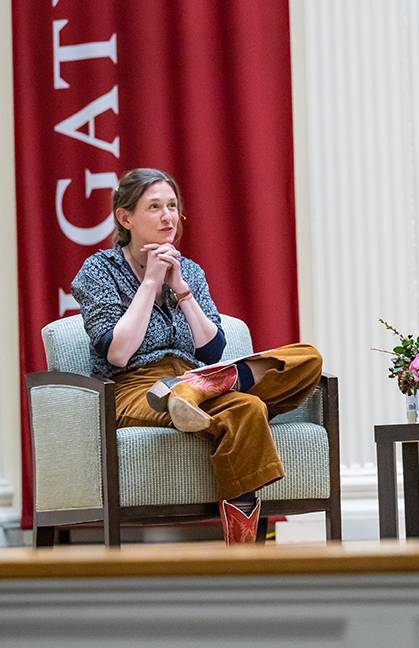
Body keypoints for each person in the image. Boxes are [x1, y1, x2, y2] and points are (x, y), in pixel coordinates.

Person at [71, 168, 324, 545]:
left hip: (196, 377)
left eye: (172, 206)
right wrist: (151, 282)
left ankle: (199, 386)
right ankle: (245, 555)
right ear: (126, 218)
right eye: (154, 207)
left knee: (307, 358)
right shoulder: (99, 271)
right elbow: (118, 353)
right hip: (136, 388)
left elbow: (212, 349)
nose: (168, 217)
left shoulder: (188, 269)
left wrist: (182, 290)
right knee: (247, 408)